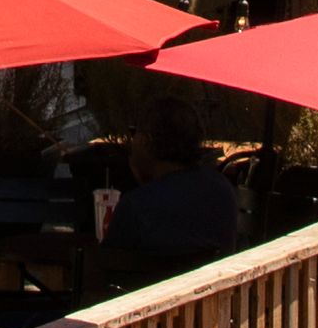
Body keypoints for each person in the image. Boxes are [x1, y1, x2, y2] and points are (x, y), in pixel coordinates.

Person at [100, 106, 255, 284]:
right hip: (214, 304)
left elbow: (106, 270)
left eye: (134, 133)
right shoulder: (222, 190)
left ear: (146, 141)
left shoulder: (137, 206)